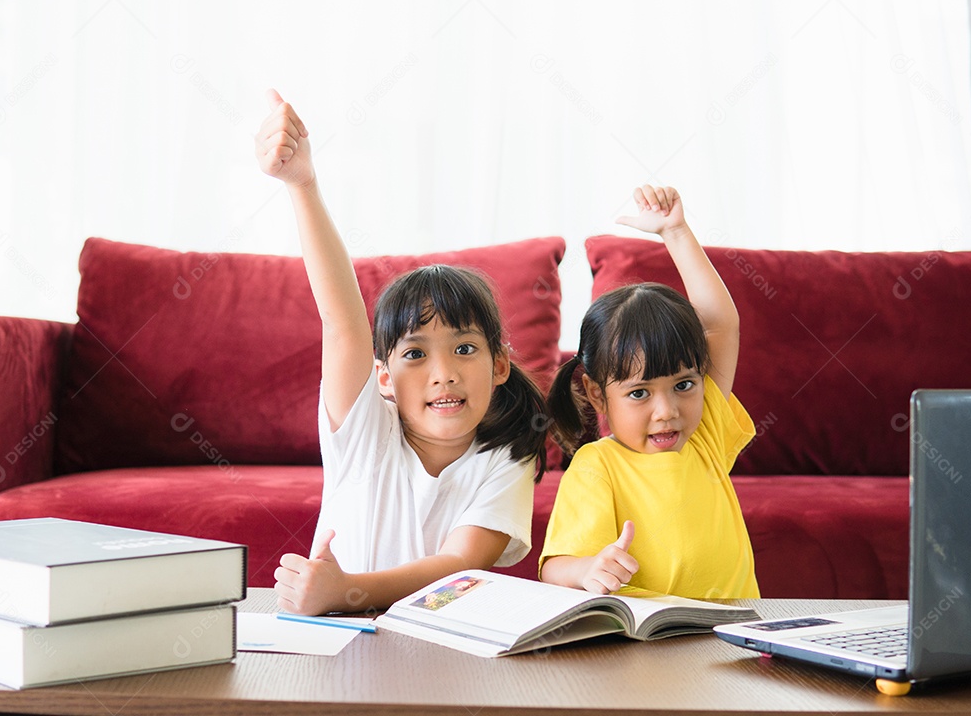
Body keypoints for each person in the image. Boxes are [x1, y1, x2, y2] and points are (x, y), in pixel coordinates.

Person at [255, 89, 547, 616]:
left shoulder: (506, 455)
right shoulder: (366, 431)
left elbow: (460, 564)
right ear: (383, 378)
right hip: (341, 637)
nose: (444, 374)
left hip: (440, 640)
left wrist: (348, 590)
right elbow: (343, 324)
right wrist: (303, 184)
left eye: (464, 348)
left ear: (500, 365)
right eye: (415, 355)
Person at [539, 184, 759, 599]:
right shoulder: (597, 466)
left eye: (684, 385)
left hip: (733, 629)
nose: (667, 411)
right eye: (640, 393)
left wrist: (676, 232)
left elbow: (720, 326)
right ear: (597, 395)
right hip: (646, 632)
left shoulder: (705, 436)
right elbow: (555, 568)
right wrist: (588, 568)